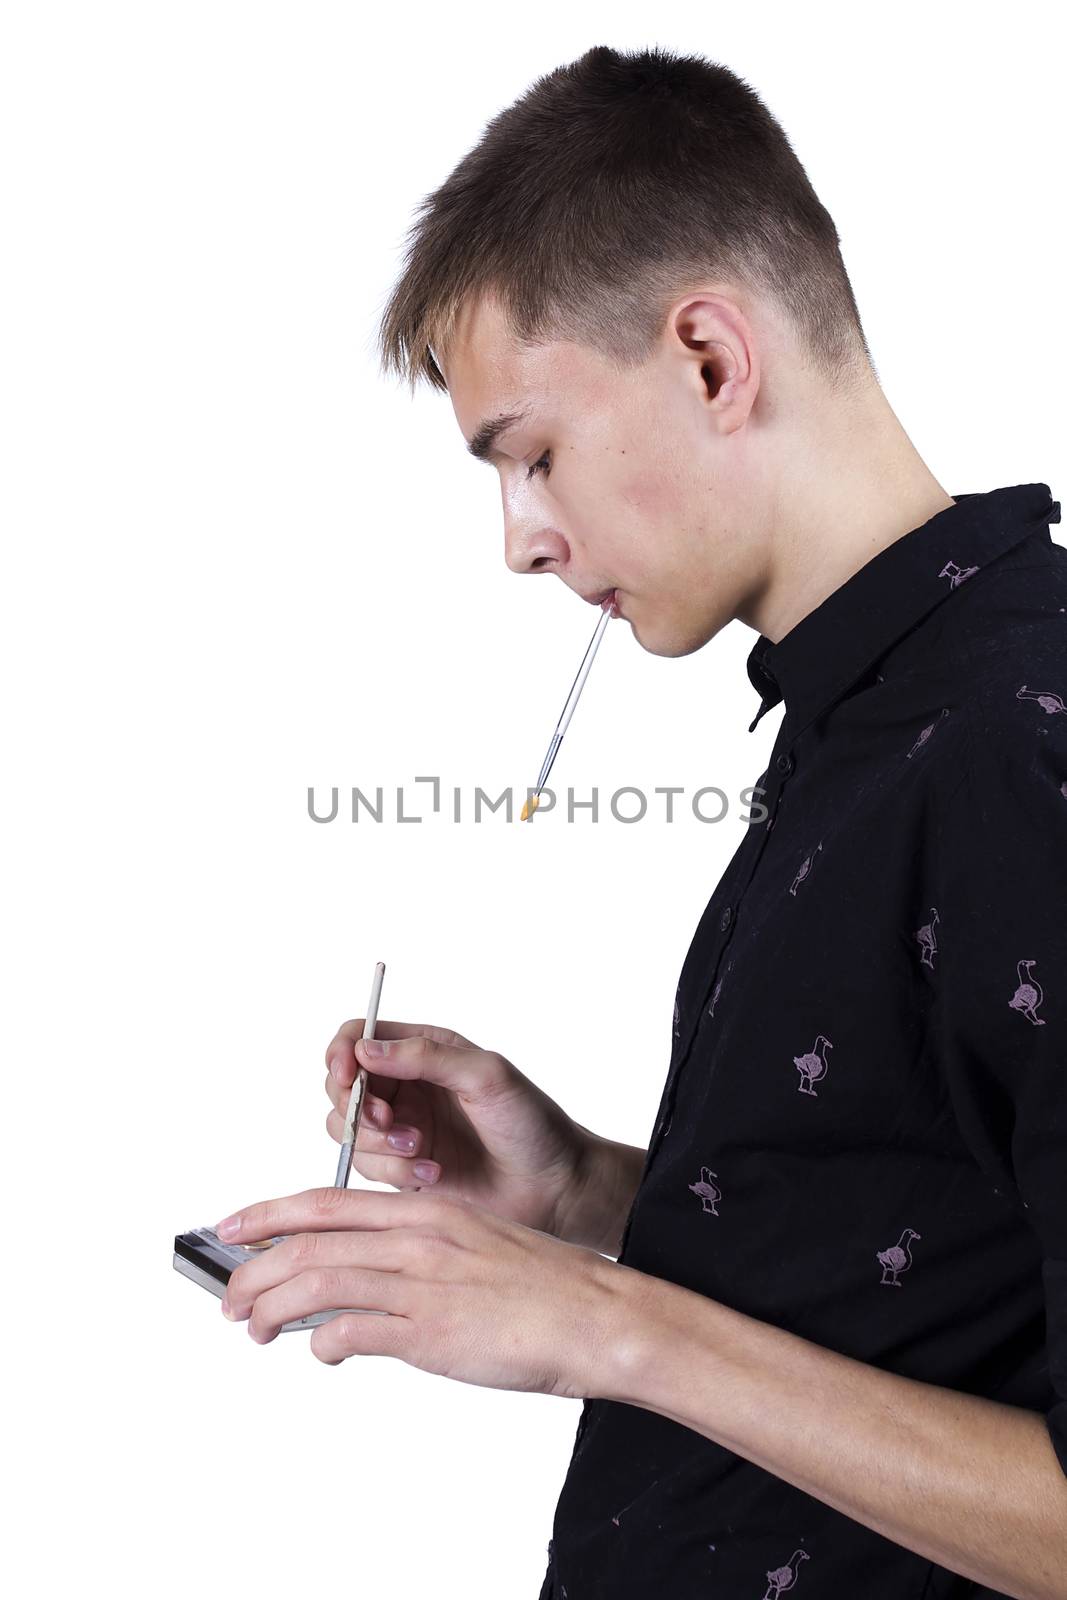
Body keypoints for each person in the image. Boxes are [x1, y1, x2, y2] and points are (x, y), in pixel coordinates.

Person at [219, 45, 1067, 1598]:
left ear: (709, 357)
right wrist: (591, 1193)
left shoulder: (1019, 744)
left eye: (531, 455)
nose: (520, 541)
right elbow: (937, 1236)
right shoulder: (870, 718)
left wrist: (603, 1326)